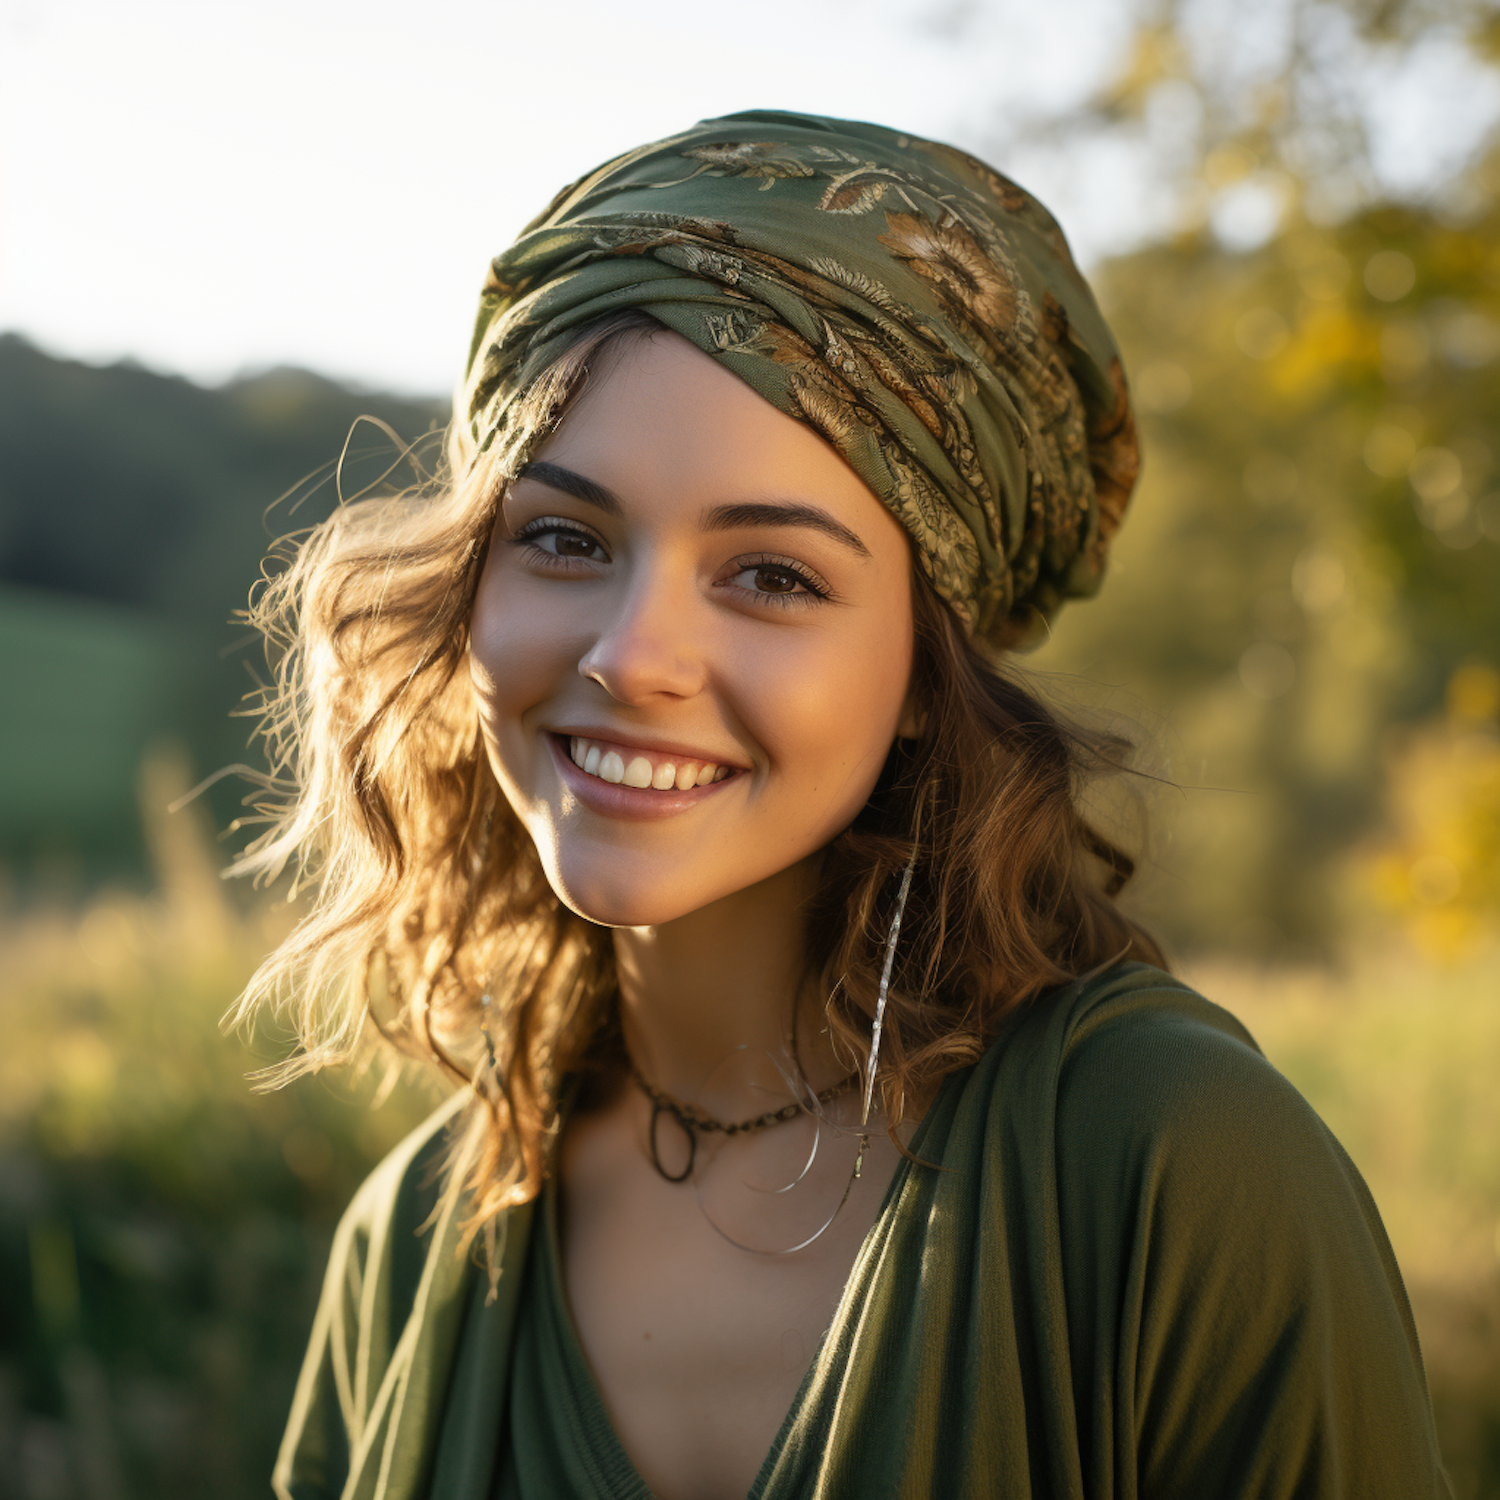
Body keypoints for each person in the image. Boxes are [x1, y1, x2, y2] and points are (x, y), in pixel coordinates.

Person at [240, 110, 1452, 1500]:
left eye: (772, 576)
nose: (631, 655)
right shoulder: (407, 1250)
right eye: (565, 539)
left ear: (929, 676)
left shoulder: (1172, 1169)